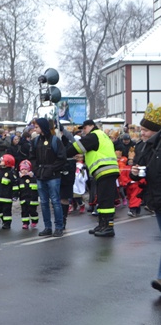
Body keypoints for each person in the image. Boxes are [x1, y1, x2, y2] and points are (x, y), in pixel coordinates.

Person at [128, 103, 161, 292]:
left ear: (155, 130)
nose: (142, 133)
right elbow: (141, 171)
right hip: (156, 199)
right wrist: (134, 172)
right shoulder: (144, 147)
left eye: (145, 130)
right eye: (141, 129)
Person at [68, 119, 120, 237]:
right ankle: (102, 225)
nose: (84, 131)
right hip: (105, 171)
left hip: (105, 171)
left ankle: (108, 227)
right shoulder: (102, 135)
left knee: (106, 200)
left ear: (91, 126)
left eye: (85, 128)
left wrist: (63, 153)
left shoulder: (94, 136)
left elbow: (76, 147)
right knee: (102, 199)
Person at [30, 118, 66, 237]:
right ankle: (47, 227)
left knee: (55, 201)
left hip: (53, 176)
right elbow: (32, 157)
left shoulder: (55, 140)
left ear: (43, 127)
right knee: (44, 202)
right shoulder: (35, 141)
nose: (35, 129)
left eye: (37, 127)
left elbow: (62, 158)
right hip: (40, 175)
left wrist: (51, 169)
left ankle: (59, 227)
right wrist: (36, 169)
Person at [0, 154, 20, 230]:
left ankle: (7, 224)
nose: (0, 161)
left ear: (7, 162)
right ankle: (3, 220)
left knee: (6, 211)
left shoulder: (10, 173)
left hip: (7, 197)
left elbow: (14, 184)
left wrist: (15, 195)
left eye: (2, 160)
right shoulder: (0, 171)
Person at [17, 160, 39, 230]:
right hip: (23, 199)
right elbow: (17, 188)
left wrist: (33, 177)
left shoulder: (33, 178)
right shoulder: (20, 179)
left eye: (25, 169)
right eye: (22, 169)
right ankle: (25, 223)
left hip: (33, 199)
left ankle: (34, 221)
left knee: (33, 211)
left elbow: (37, 186)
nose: (24, 171)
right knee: (24, 212)